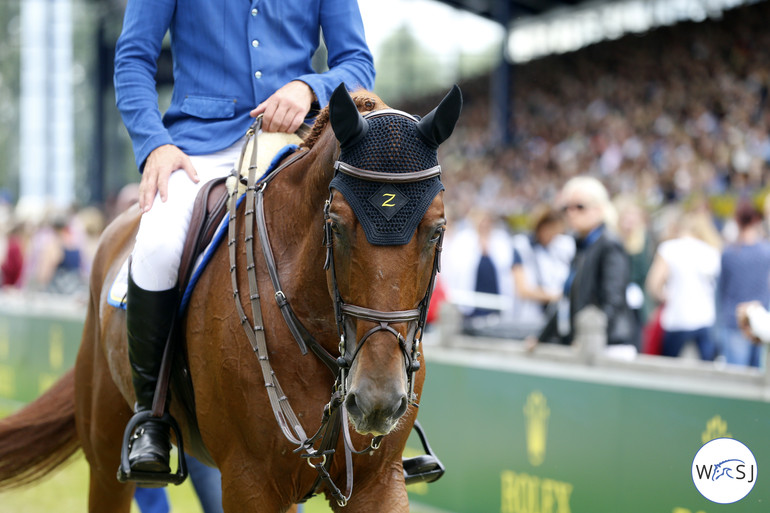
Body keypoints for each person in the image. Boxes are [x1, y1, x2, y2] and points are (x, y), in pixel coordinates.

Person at [113, 0, 375, 478]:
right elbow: (133, 59)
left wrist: (307, 86)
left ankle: (386, 417)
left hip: (297, 140)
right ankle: (151, 418)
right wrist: (154, 144)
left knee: (369, 222)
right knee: (156, 248)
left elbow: (358, 65)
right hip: (199, 144)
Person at [536, 176, 636, 349]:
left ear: (598, 209)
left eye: (580, 207)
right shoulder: (582, 245)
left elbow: (613, 301)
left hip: (607, 345)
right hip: (585, 343)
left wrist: (589, 338)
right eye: (567, 208)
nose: (571, 213)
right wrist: (541, 338)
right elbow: (567, 301)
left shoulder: (609, 245)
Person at [645, 209, 721, 361]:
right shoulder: (711, 251)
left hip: (677, 316)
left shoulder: (669, 248)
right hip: (705, 317)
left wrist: (664, 296)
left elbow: (653, 283)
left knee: (668, 366)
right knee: (707, 369)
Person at [717, 201, 770, 367]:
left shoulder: (729, 254)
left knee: (738, 381)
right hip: (759, 320)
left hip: (736, 324)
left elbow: (721, 290)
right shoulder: (765, 252)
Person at [510, 207, 574, 338]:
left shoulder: (561, 248)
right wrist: (556, 296)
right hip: (528, 319)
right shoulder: (522, 246)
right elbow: (522, 290)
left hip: (554, 320)